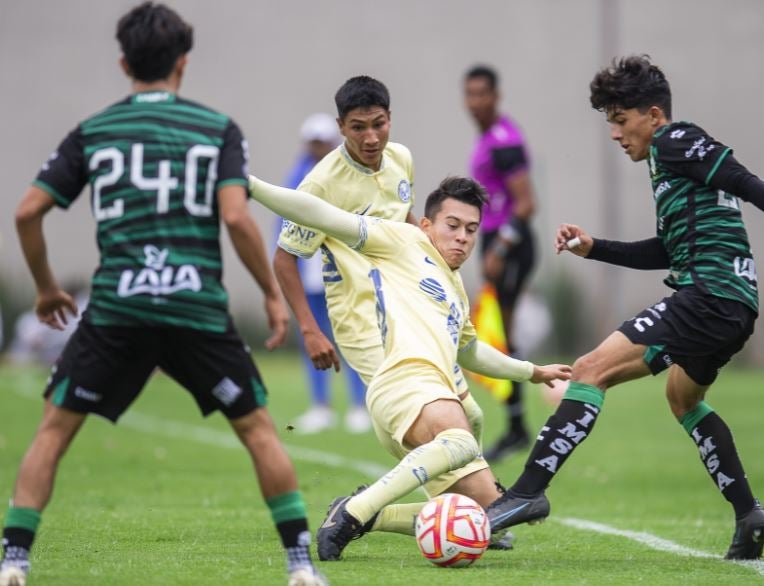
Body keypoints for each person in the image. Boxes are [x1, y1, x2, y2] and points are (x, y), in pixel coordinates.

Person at [0, 4, 325, 586]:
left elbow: (28, 212)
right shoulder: (216, 129)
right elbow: (237, 218)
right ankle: (299, 565)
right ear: (183, 63)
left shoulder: (94, 130)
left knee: (53, 430)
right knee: (257, 430)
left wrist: (47, 288)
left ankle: (14, 562)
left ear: (124, 62)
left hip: (118, 308)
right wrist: (271, 297)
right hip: (194, 308)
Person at [486, 55, 764, 561]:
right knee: (683, 397)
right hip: (733, 306)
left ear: (653, 115)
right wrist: (596, 248)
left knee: (589, 370)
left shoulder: (674, 140)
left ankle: (526, 492)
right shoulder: (668, 165)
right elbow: (667, 250)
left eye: (619, 119)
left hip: (708, 297)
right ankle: (750, 515)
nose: (614, 133)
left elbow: (746, 182)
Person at [249, 174, 572, 561]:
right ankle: (354, 514)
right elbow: (318, 212)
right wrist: (247, 184)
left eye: (471, 230)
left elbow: (470, 353)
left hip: (424, 397)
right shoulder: (402, 242)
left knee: (486, 513)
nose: (462, 238)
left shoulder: (456, 289)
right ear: (426, 224)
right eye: (452, 226)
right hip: (404, 383)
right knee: (462, 440)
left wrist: (532, 372)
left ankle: (369, 515)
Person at [464, 65, 539, 462]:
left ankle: (516, 428)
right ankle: (515, 425)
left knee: (503, 337)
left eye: (482, 94)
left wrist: (498, 249)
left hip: (512, 243)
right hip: (497, 241)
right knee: (500, 335)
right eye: (470, 94)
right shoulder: (487, 138)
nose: (475, 102)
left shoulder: (504, 140)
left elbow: (527, 204)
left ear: (497, 95)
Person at [280, 113, 369, 434]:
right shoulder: (298, 175)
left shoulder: (347, 173)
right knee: (314, 337)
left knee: (352, 337)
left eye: (323, 141)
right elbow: (283, 221)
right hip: (310, 273)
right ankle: (321, 405)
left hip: (344, 273)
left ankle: (360, 405)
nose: (319, 147)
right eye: (314, 142)